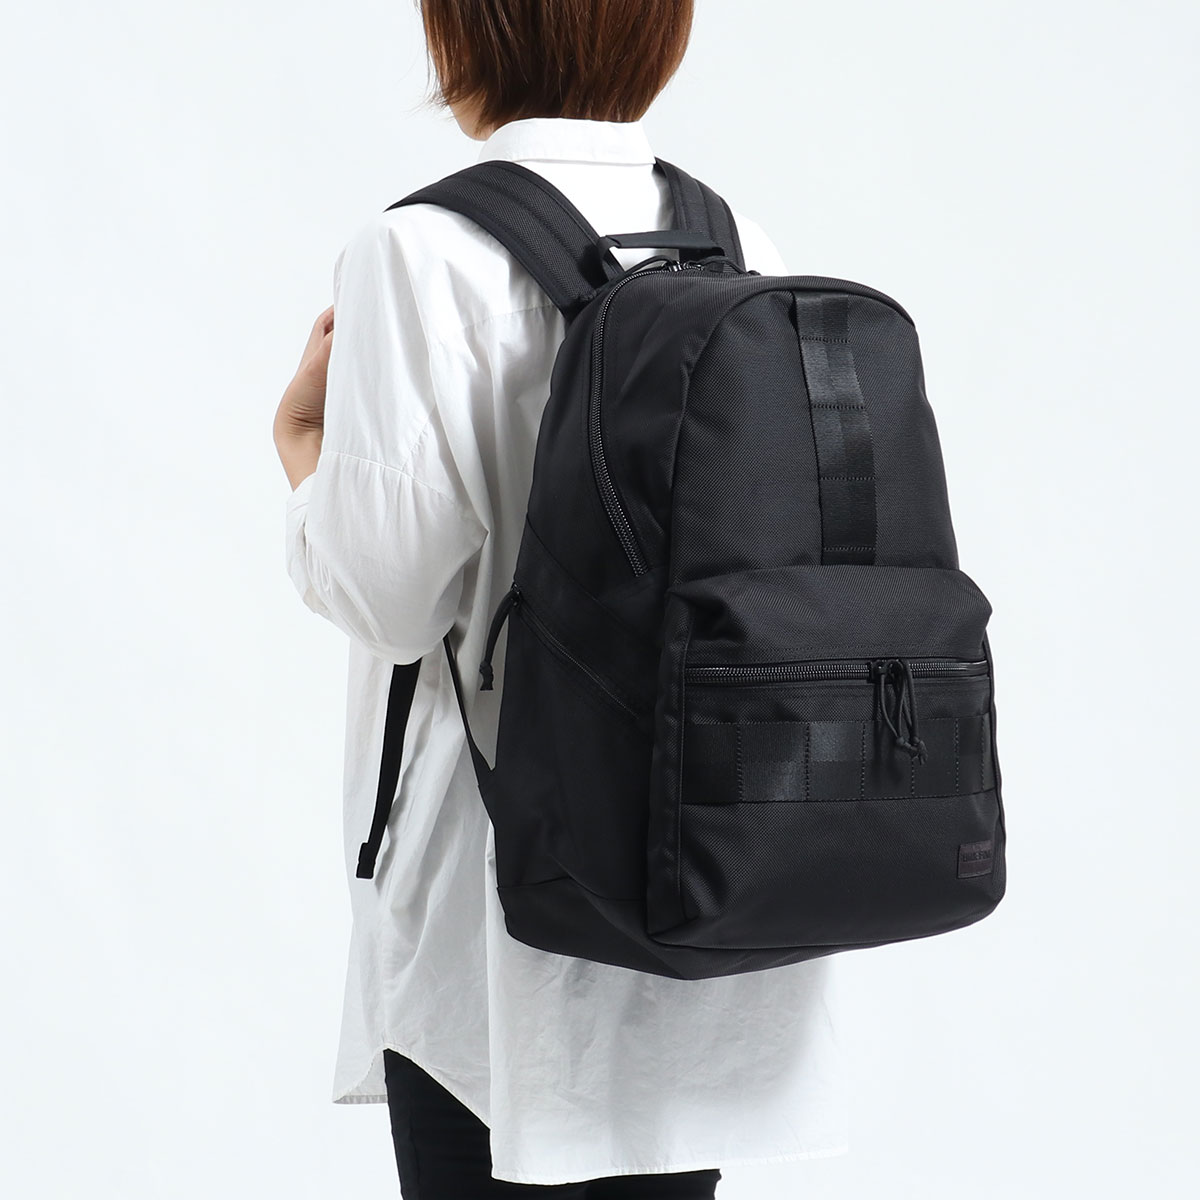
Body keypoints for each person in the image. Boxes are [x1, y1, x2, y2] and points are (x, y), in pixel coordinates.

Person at [273, 1, 848, 1194]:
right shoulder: (739, 244)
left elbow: (385, 598)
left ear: (461, 33)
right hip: (713, 884)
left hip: (503, 922)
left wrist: (304, 455)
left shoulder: (416, 253)